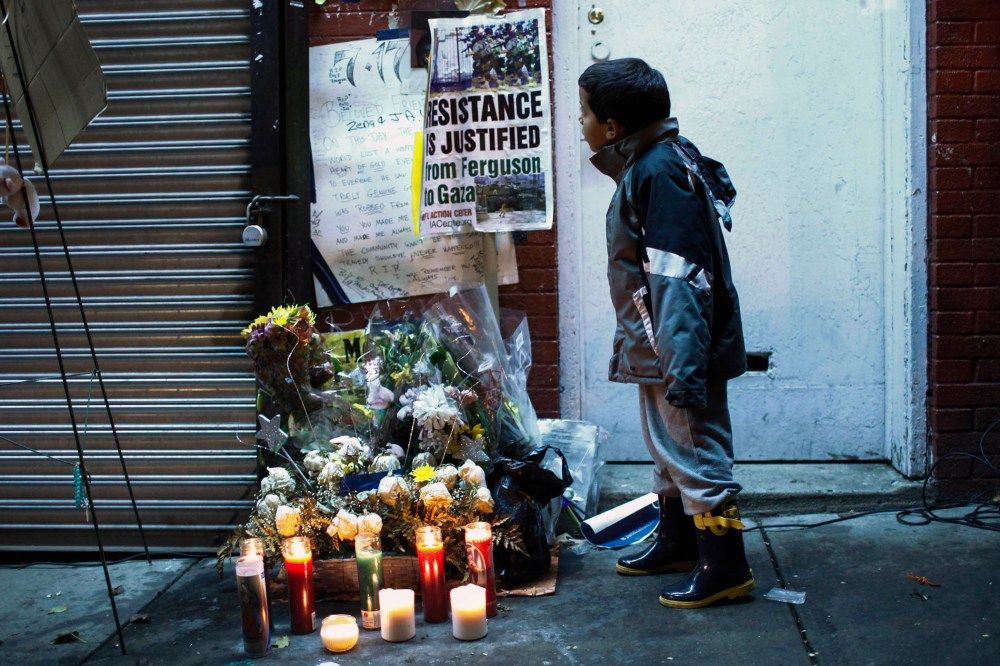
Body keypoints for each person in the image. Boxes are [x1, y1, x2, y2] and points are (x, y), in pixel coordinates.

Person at [578, 58, 753, 608]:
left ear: (612, 127)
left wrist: (680, 364)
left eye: (584, 114)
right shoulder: (652, 162)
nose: (579, 124)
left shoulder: (656, 171)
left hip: (675, 346)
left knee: (697, 450)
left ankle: (726, 569)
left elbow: (678, 278)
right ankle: (679, 542)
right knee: (670, 449)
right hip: (661, 343)